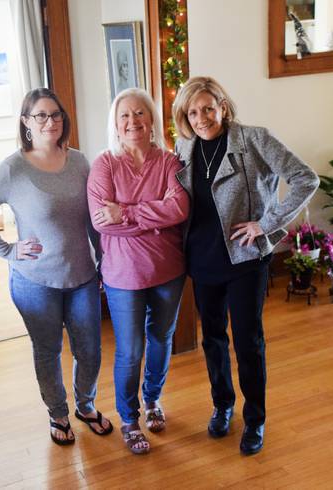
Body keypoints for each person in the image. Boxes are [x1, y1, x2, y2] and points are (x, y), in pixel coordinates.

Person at [171, 76, 319, 455]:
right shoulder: (183, 147)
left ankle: (255, 419)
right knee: (213, 339)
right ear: (184, 117)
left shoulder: (254, 139)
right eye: (193, 111)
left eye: (208, 107)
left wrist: (267, 224)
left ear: (223, 105)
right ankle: (222, 406)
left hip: (245, 259)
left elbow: (305, 178)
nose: (202, 117)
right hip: (202, 259)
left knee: (249, 342)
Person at [0, 88, 112, 445]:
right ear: (26, 122)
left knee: (89, 349)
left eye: (55, 114)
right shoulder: (14, 168)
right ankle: (58, 414)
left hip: (82, 276)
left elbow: (92, 218)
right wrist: (8, 251)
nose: (50, 122)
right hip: (35, 281)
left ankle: (85, 406)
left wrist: (104, 257)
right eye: (40, 115)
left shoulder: (79, 161)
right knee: (48, 350)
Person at [87, 88, 189, 454]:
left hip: (168, 268)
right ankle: (129, 419)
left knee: (161, 339)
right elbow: (103, 223)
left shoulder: (169, 163)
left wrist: (127, 212)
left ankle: (152, 402)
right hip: (123, 275)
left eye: (140, 113)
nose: (133, 121)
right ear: (115, 124)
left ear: (152, 120)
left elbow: (178, 210)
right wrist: (154, 215)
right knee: (130, 350)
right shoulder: (104, 165)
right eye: (125, 115)